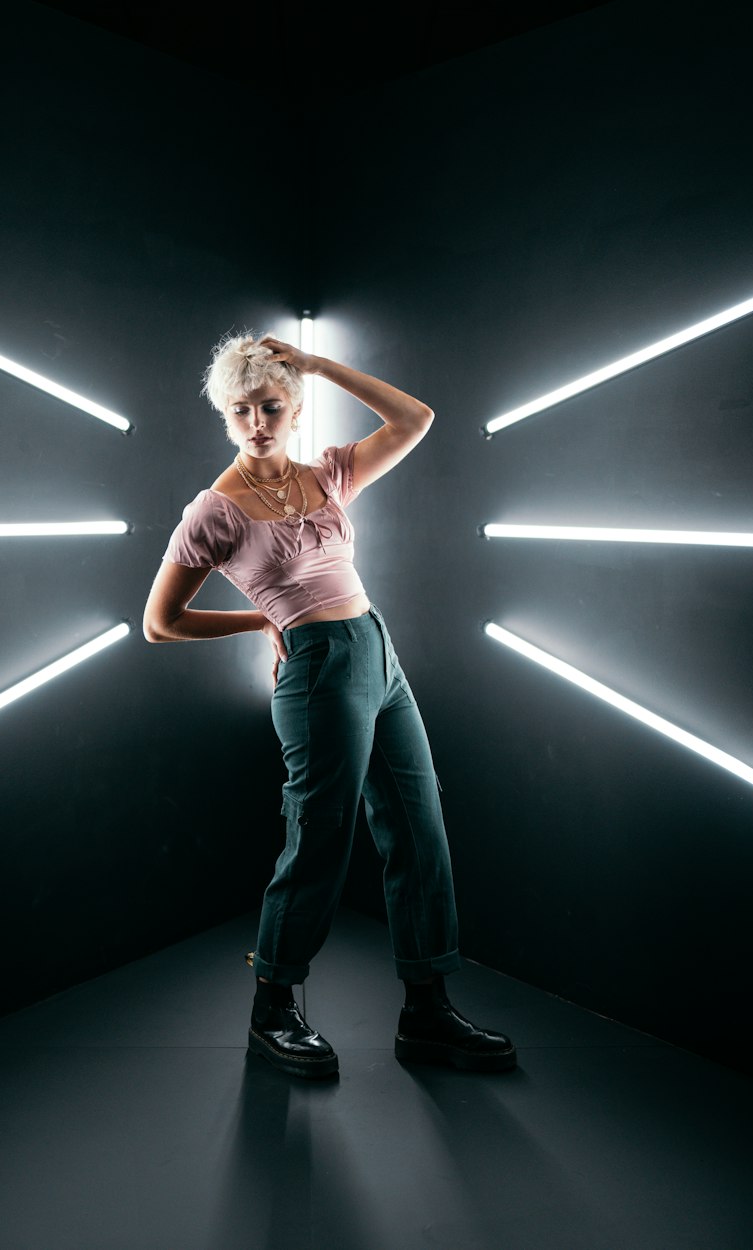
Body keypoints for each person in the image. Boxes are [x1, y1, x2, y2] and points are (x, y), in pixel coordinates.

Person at [143, 332, 516, 1079]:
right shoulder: (214, 511)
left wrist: (314, 362)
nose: (257, 421)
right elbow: (161, 622)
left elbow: (415, 419)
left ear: (295, 407)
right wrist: (263, 618)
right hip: (317, 671)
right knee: (320, 840)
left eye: (272, 405)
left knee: (419, 827)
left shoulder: (329, 474)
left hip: (379, 653)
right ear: (226, 415)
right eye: (242, 409)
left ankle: (426, 1011)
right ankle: (273, 1008)